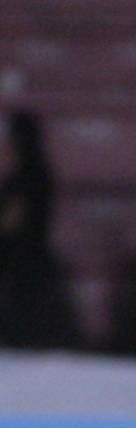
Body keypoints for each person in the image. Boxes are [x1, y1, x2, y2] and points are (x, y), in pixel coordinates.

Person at [0, 109, 79, 349]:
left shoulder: (27, 177)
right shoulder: (36, 173)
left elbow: (13, 221)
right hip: (29, 254)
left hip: (21, 256)